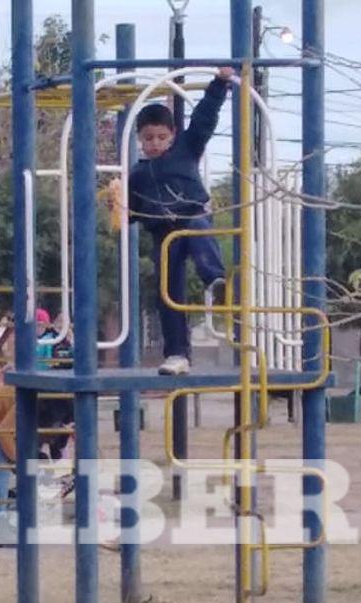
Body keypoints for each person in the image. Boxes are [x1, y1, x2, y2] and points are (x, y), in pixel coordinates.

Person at [120, 67, 235, 376]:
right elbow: (129, 214)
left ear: (172, 136)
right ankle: (177, 354)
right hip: (164, 234)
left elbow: (204, 119)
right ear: (140, 140)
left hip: (192, 217)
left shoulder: (186, 150)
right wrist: (117, 205)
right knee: (168, 290)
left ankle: (216, 279)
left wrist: (220, 83)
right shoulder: (138, 174)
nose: (155, 143)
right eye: (148, 138)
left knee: (199, 228)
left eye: (161, 137)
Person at [0, 380, 75, 536]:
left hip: (0, 423)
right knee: (1, 468)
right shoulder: (26, 402)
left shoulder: (49, 403)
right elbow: (3, 434)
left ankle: (22, 505)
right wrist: (18, 461)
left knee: (33, 464)